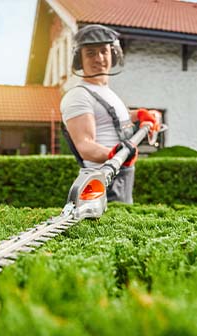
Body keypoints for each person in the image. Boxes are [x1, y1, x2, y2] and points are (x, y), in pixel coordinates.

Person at [60, 24, 160, 204]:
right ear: (79, 60)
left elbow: (111, 119)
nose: (98, 58)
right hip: (103, 181)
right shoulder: (78, 95)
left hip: (121, 175)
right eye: (90, 53)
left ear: (113, 55)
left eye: (103, 51)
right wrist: (116, 153)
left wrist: (141, 114)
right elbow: (85, 146)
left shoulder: (105, 91)